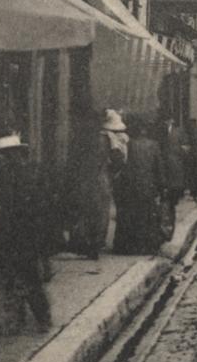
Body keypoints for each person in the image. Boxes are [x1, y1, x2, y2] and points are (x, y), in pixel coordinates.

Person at [0, 134, 53, 332]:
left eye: (0, 156)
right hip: (29, 233)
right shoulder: (34, 171)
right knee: (30, 276)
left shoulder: (2, 176)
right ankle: (41, 317)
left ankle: (19, 319)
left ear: (9, 156)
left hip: (10, 232)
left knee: (12, 277)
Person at [72, 109, 123, 259]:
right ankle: (95, 243)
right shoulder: (109, 140)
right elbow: (117, 159)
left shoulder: (84, 138)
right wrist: (113, 172)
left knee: (85, 210)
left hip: (84, 178)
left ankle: (84, 242)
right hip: (101, 178)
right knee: (100, 211)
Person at [114, 115, 166, 254]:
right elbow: (159, 168)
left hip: (130, 186)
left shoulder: (129, 145)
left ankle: (129, 246)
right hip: (148, 186)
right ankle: (145, 246)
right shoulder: (154, 145)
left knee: (131, 216)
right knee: (146, 216)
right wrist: (162, 187)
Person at [160, 116, 186, 234]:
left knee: (174, 185)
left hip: (175, 161)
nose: (167, 123)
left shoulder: (178, 131)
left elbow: (184, 145)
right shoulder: (160, 131)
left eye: (168, 121)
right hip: (165, 162)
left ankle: (174, 201)